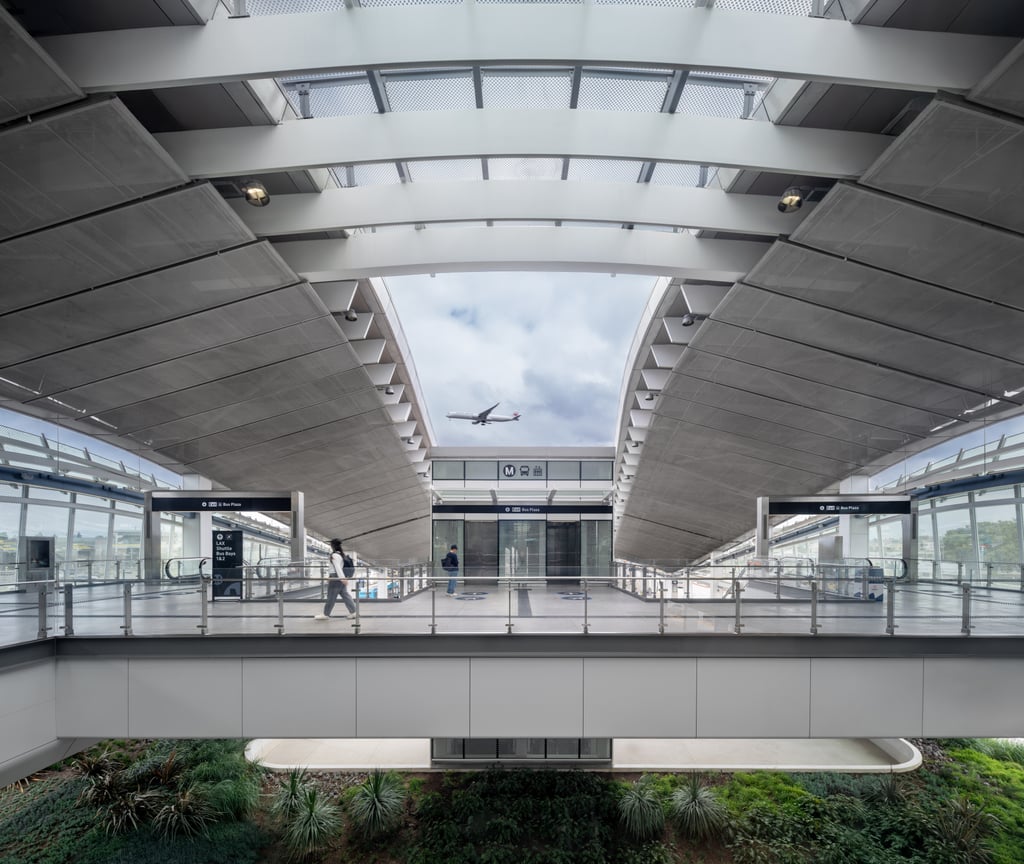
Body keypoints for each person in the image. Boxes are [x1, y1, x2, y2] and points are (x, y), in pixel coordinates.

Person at [315, 538, 357, 619]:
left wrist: (342, 579)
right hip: (339, 577)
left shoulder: (334, 555)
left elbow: (337, 568)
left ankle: (325, 614)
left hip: (336, 577)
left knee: (331, 596)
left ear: (332, 546)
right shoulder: (341, 554)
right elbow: (338, 568)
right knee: (345, 595)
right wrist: (342, 578)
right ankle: (354, 612)